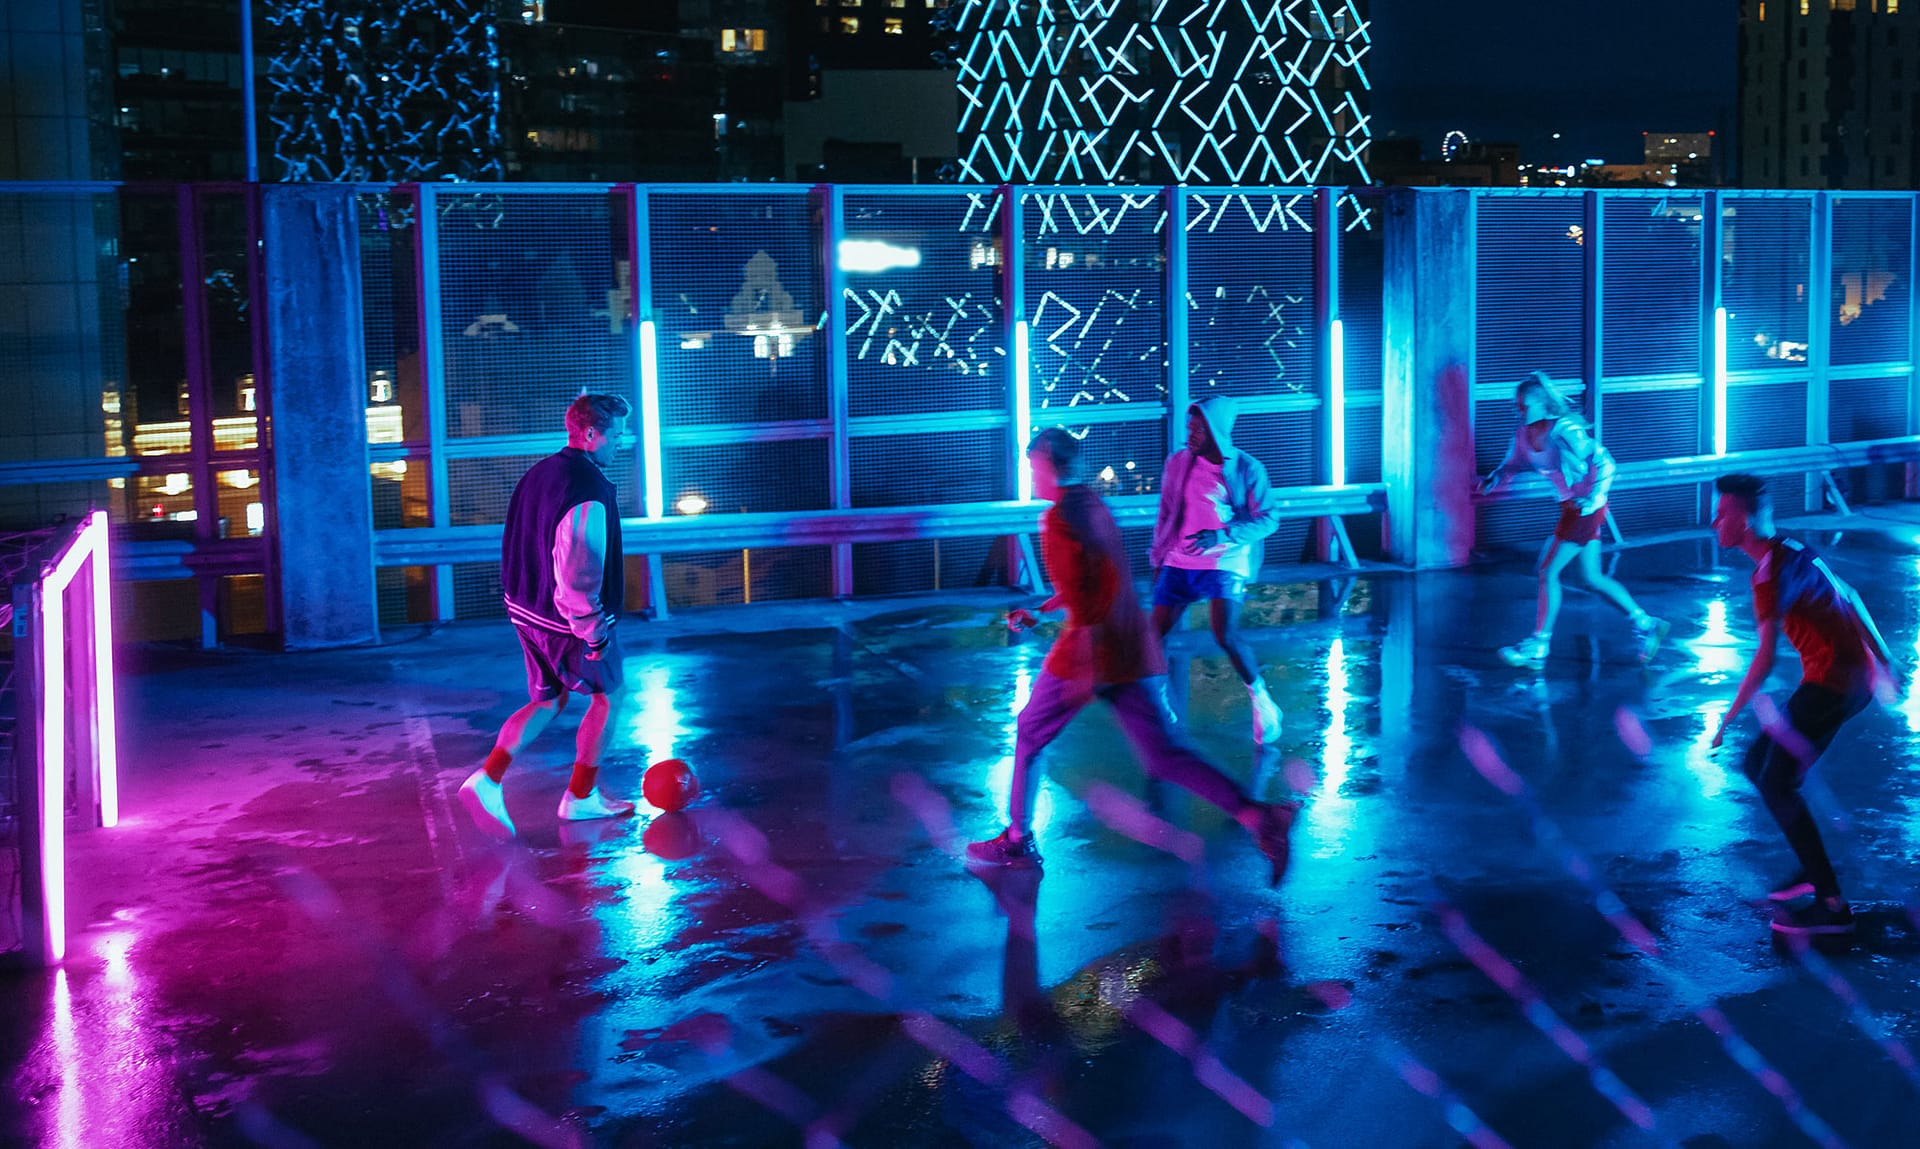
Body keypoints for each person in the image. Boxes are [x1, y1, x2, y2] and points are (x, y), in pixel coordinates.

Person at [966, 427, 1297, 883]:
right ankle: (1261, 819)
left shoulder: (1059, 520)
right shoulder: (1090, 504)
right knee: (1164, 755)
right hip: (1129, 644)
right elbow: (1094, 581)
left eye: (1033, 464)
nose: (1030, 473)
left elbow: (1087, 601)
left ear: (1048, 464)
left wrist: (1082, 668)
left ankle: (1017, 841)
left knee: (1029, 731)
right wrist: (1042, 612)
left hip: (1093, 653)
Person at [1709, 473, 1895, 936]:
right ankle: (1812, 871)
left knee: (1776, 780)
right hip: (1849, 679)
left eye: (1723, 514)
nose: (1714, 522)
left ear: (1746, 520)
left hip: (1835, 683)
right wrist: (1884, 657)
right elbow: (1849, 595)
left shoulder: (1769, 573)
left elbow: (1766, 657)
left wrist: (1728, 718)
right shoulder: (1793, 547)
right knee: (1759, 765)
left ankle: (1832, 906)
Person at [458, 393, 637, 839]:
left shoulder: (540, 472)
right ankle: (580, 797)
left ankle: (489, 779)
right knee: (610, 696)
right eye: (617, 434)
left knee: (548, 699)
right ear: (592, 434)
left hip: (527, 611)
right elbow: (578, 571)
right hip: (567, 622)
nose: (623, 442)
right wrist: (594, 634)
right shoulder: (589, 491)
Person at [1478, 371, 1668, 670]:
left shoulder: (1564, 430)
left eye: (1524, 405)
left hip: (1586, 509)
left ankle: (1538, 645)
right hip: (1570, 508)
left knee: (1546, 572)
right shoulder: (1523, 435)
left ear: (1543, 404)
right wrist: (1497, 475)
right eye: (1517, 405)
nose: (1519, 410)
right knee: (1591, 578)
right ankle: (1646, 623)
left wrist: (1592, 499)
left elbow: (1605, 462)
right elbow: (1512, 463)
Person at [1148, 397, 1284, 744]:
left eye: (1198, 427)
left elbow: (1268, 519)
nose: (1190, 433)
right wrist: (1158, 557)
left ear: (1215, 429)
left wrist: (1222, 535)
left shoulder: (1247, 468)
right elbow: (1165, 513)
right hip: (1179, 559)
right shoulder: (1178, 463)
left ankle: (1261, 701)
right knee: (1151, 636)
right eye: (1189, 427)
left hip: (1225, 558)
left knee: (1225, 634)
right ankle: (1160, 703)